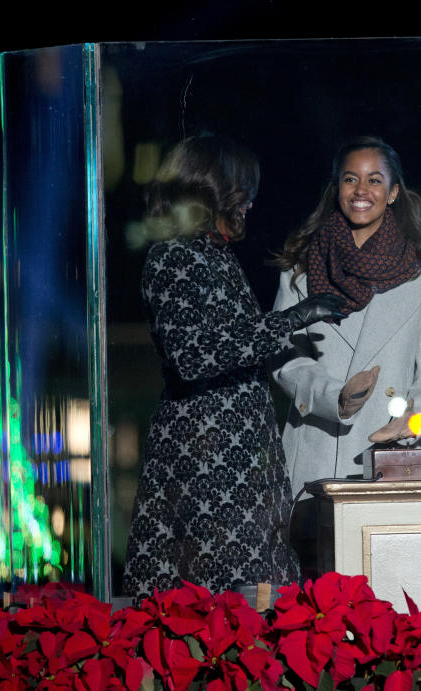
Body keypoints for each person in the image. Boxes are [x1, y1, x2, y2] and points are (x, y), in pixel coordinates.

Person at [122, 135, 343, 598]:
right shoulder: (173, 257)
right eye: (242, 189)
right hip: (204, 470)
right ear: (208, 188)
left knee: (256, 605)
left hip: (240, 467)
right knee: (205, 612)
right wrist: (293, 319)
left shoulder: (213, 256)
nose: (250, 202)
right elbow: (193, 355)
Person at [271, 136, 421, 498]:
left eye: (374, 180)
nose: (361, 190)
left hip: (390, 462)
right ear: (337, 187)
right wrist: (337, 398)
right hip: (316, 457)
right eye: (350, 178)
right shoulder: (302, 270)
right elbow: (284, 358)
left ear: (393, 192)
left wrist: (414, 422)